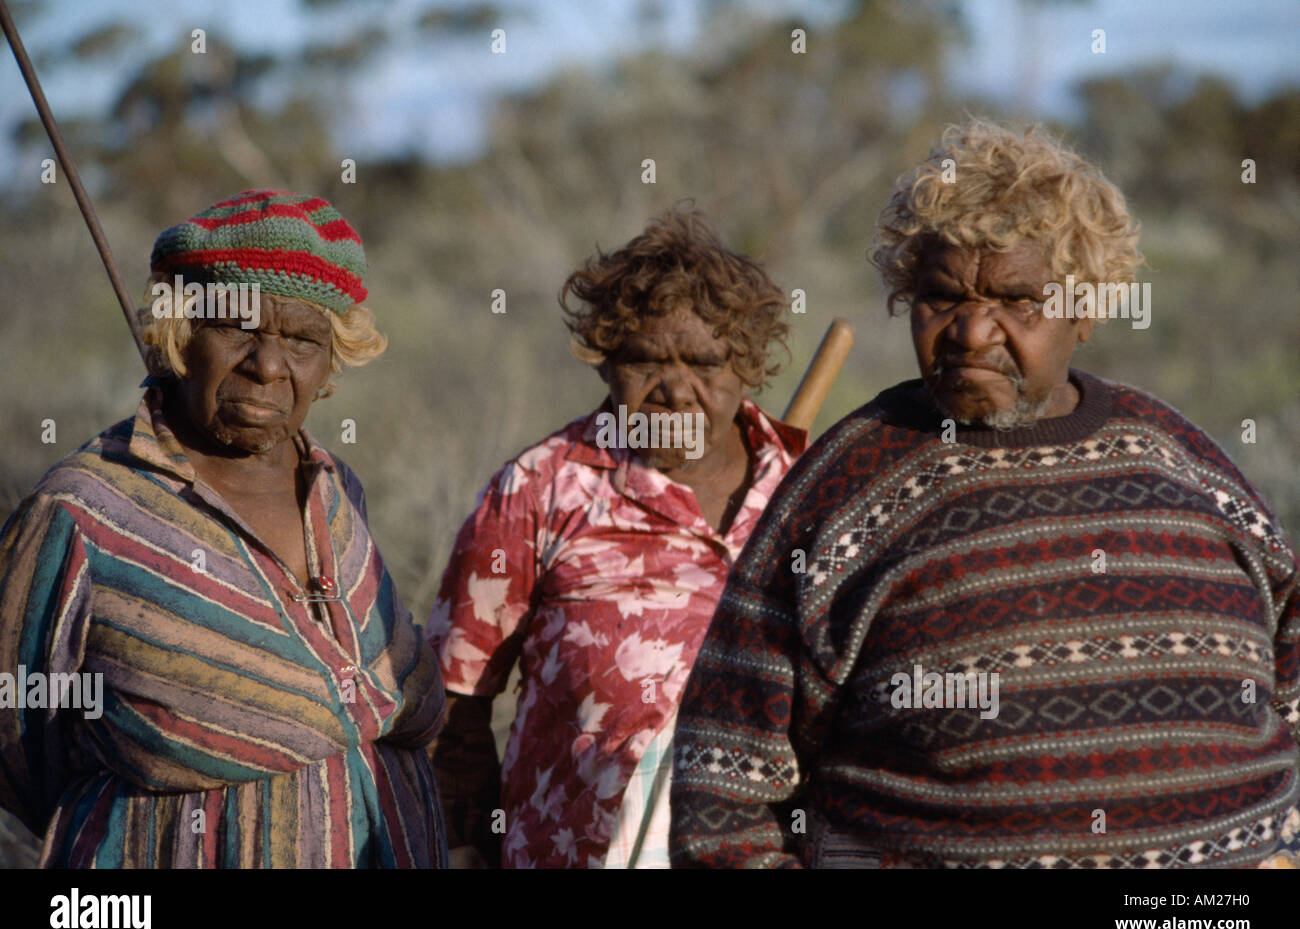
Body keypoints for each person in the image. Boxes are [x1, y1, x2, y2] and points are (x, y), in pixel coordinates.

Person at [669, 120, 1300, 869]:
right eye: (941, 298)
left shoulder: (1185, 464)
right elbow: (723, 787)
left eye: (1016, 299)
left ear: (1086, 310)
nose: (971, 331)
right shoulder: (843, 489)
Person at [0, 190, 447, 867]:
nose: (267, 365)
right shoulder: (84, 509)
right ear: (180, 335)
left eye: (300, 339)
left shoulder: (336, 491)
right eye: (234, 329)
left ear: (331, 360)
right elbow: (16, 739)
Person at [427, 207, 807, 867]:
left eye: (704, 364)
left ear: (746, 365)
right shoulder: (540, 488)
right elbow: (454, 704)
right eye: (644, 362)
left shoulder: (810, 497)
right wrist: (465, 851)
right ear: (605, 363)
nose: (675, 392)